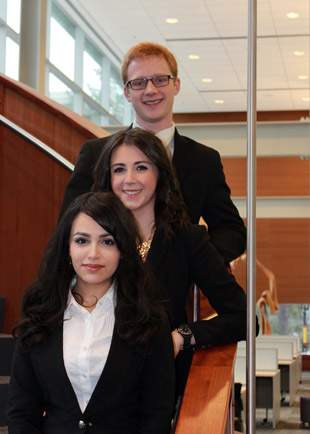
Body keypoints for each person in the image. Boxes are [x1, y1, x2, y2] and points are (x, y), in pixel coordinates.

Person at [92, 128, 255, 394]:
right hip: (94, 385)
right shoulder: (90, 237)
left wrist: (183, 336)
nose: (129, 179)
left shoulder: (187, 239)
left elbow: (245, 318)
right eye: (119, 169)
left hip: (156, 389)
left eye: (141, 167)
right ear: (108, 178)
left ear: (160, 173)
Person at [59, 41, 246, 265]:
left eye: (159, 79)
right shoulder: (95, 153)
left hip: (175, 296)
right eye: (138, 83)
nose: (150, 90)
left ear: (175, 85)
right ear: (127, 92)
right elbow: (69, 225)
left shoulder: (204, 160)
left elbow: (232, 231)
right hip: (108, 289)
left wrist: (194, 263)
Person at [6, 192, 175, 434]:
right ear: (68, 246)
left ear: (123, 249)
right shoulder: (40, 308)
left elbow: (156, 413)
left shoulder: (149, 316)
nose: (93, 253)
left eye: (107, 241)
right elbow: (21, 408)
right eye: (82, 241)